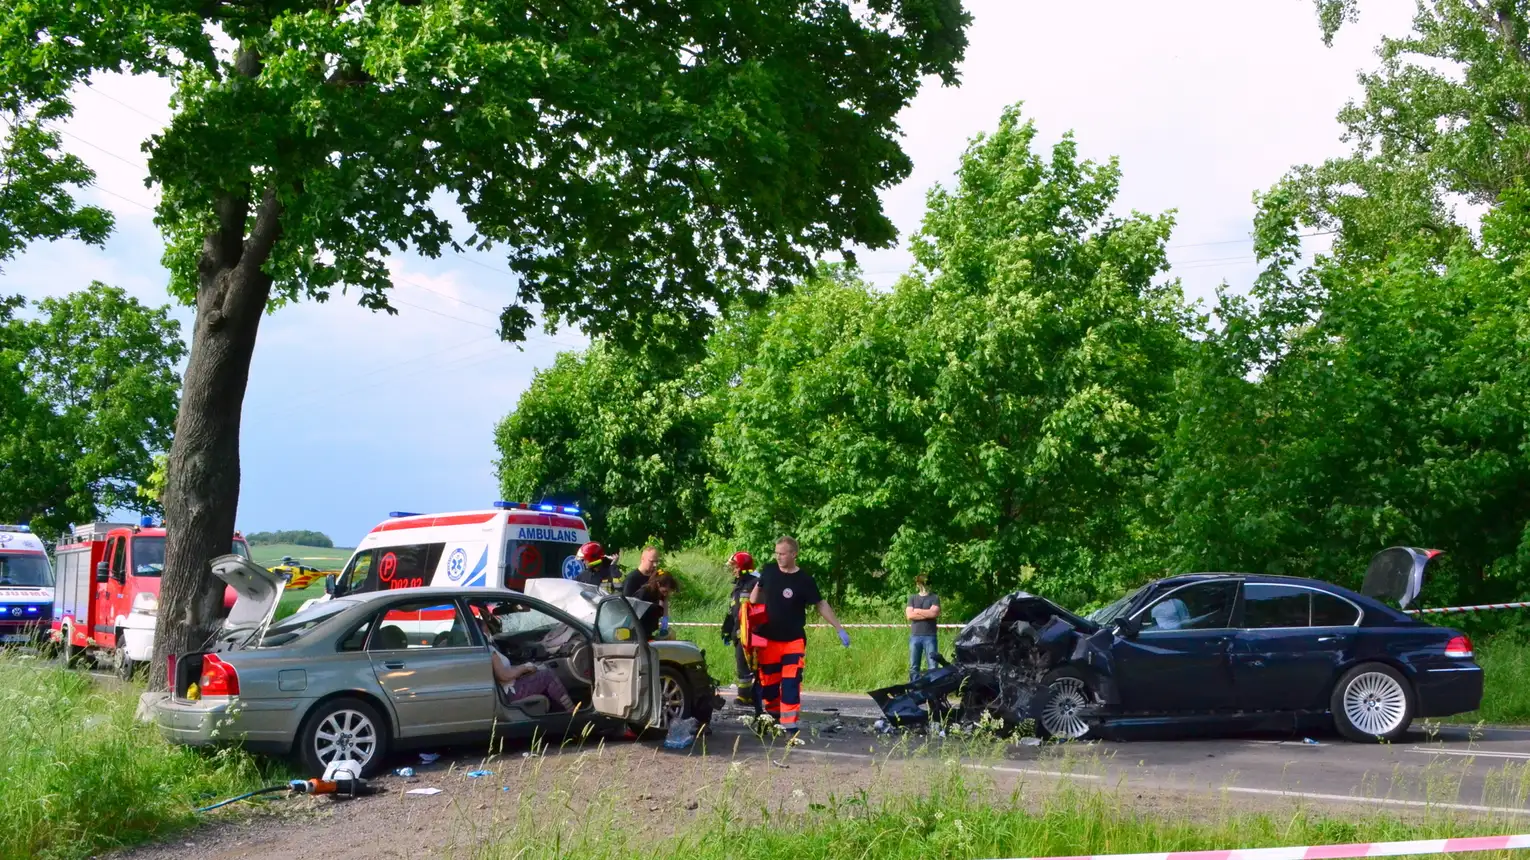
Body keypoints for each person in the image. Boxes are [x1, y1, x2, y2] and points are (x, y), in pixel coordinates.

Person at [749, 536, 850, 739]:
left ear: (794, 554)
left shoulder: (804, 580)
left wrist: (839, 628)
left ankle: (790, 727)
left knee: (790, 684)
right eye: (776, 553)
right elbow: (756, 594)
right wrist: (749, 616)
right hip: (768, 640)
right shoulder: (768, 571)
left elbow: (820, 604)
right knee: (768, 685)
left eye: (783, 553)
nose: (778, 557)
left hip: (793, 641)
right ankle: (774, 717)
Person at [479, 612, 576, 712]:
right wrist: (524, 668)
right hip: (510, 693)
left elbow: (505, 671)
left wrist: (525, 667)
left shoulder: (486, 649)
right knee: (548, 676)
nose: (489, 630)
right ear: (482, 631)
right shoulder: (490, 651)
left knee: (541, 670)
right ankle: (572, 712)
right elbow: (504, 675)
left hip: (507, 688)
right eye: (486, 627)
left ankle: (558, 713)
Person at [719, 551, 760, 709]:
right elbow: (733, 611)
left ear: (743, 567)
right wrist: (726, 630)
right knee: (741, 665)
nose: (733, 570)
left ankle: (749, 696)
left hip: (752, 634)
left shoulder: (755, 584)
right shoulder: (738, 585)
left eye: (735, 566)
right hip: (738, 633)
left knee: (753, 666)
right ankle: (745, 696)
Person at [906, 574, 941, 681]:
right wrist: (927, 613)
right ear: (918, 584)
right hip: (915, 636)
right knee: (914, 666)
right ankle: (914, 688)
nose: (925, 586)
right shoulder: (912, 598)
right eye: (922, 584)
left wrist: (917, 611)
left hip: (930, 636)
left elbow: (934, 614)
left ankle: (931, 687)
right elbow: (909, 616)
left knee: (932, 665)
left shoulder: (934, 598)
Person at [633, 572, 678, 638]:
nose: (665, 594)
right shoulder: (643, 593)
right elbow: (635, 614)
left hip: (648, 631)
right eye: (664, 591)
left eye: (668, 592)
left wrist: (664, 627)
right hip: (637, 632)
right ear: (658, 584)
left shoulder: (660, 594)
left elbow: (665, 613)